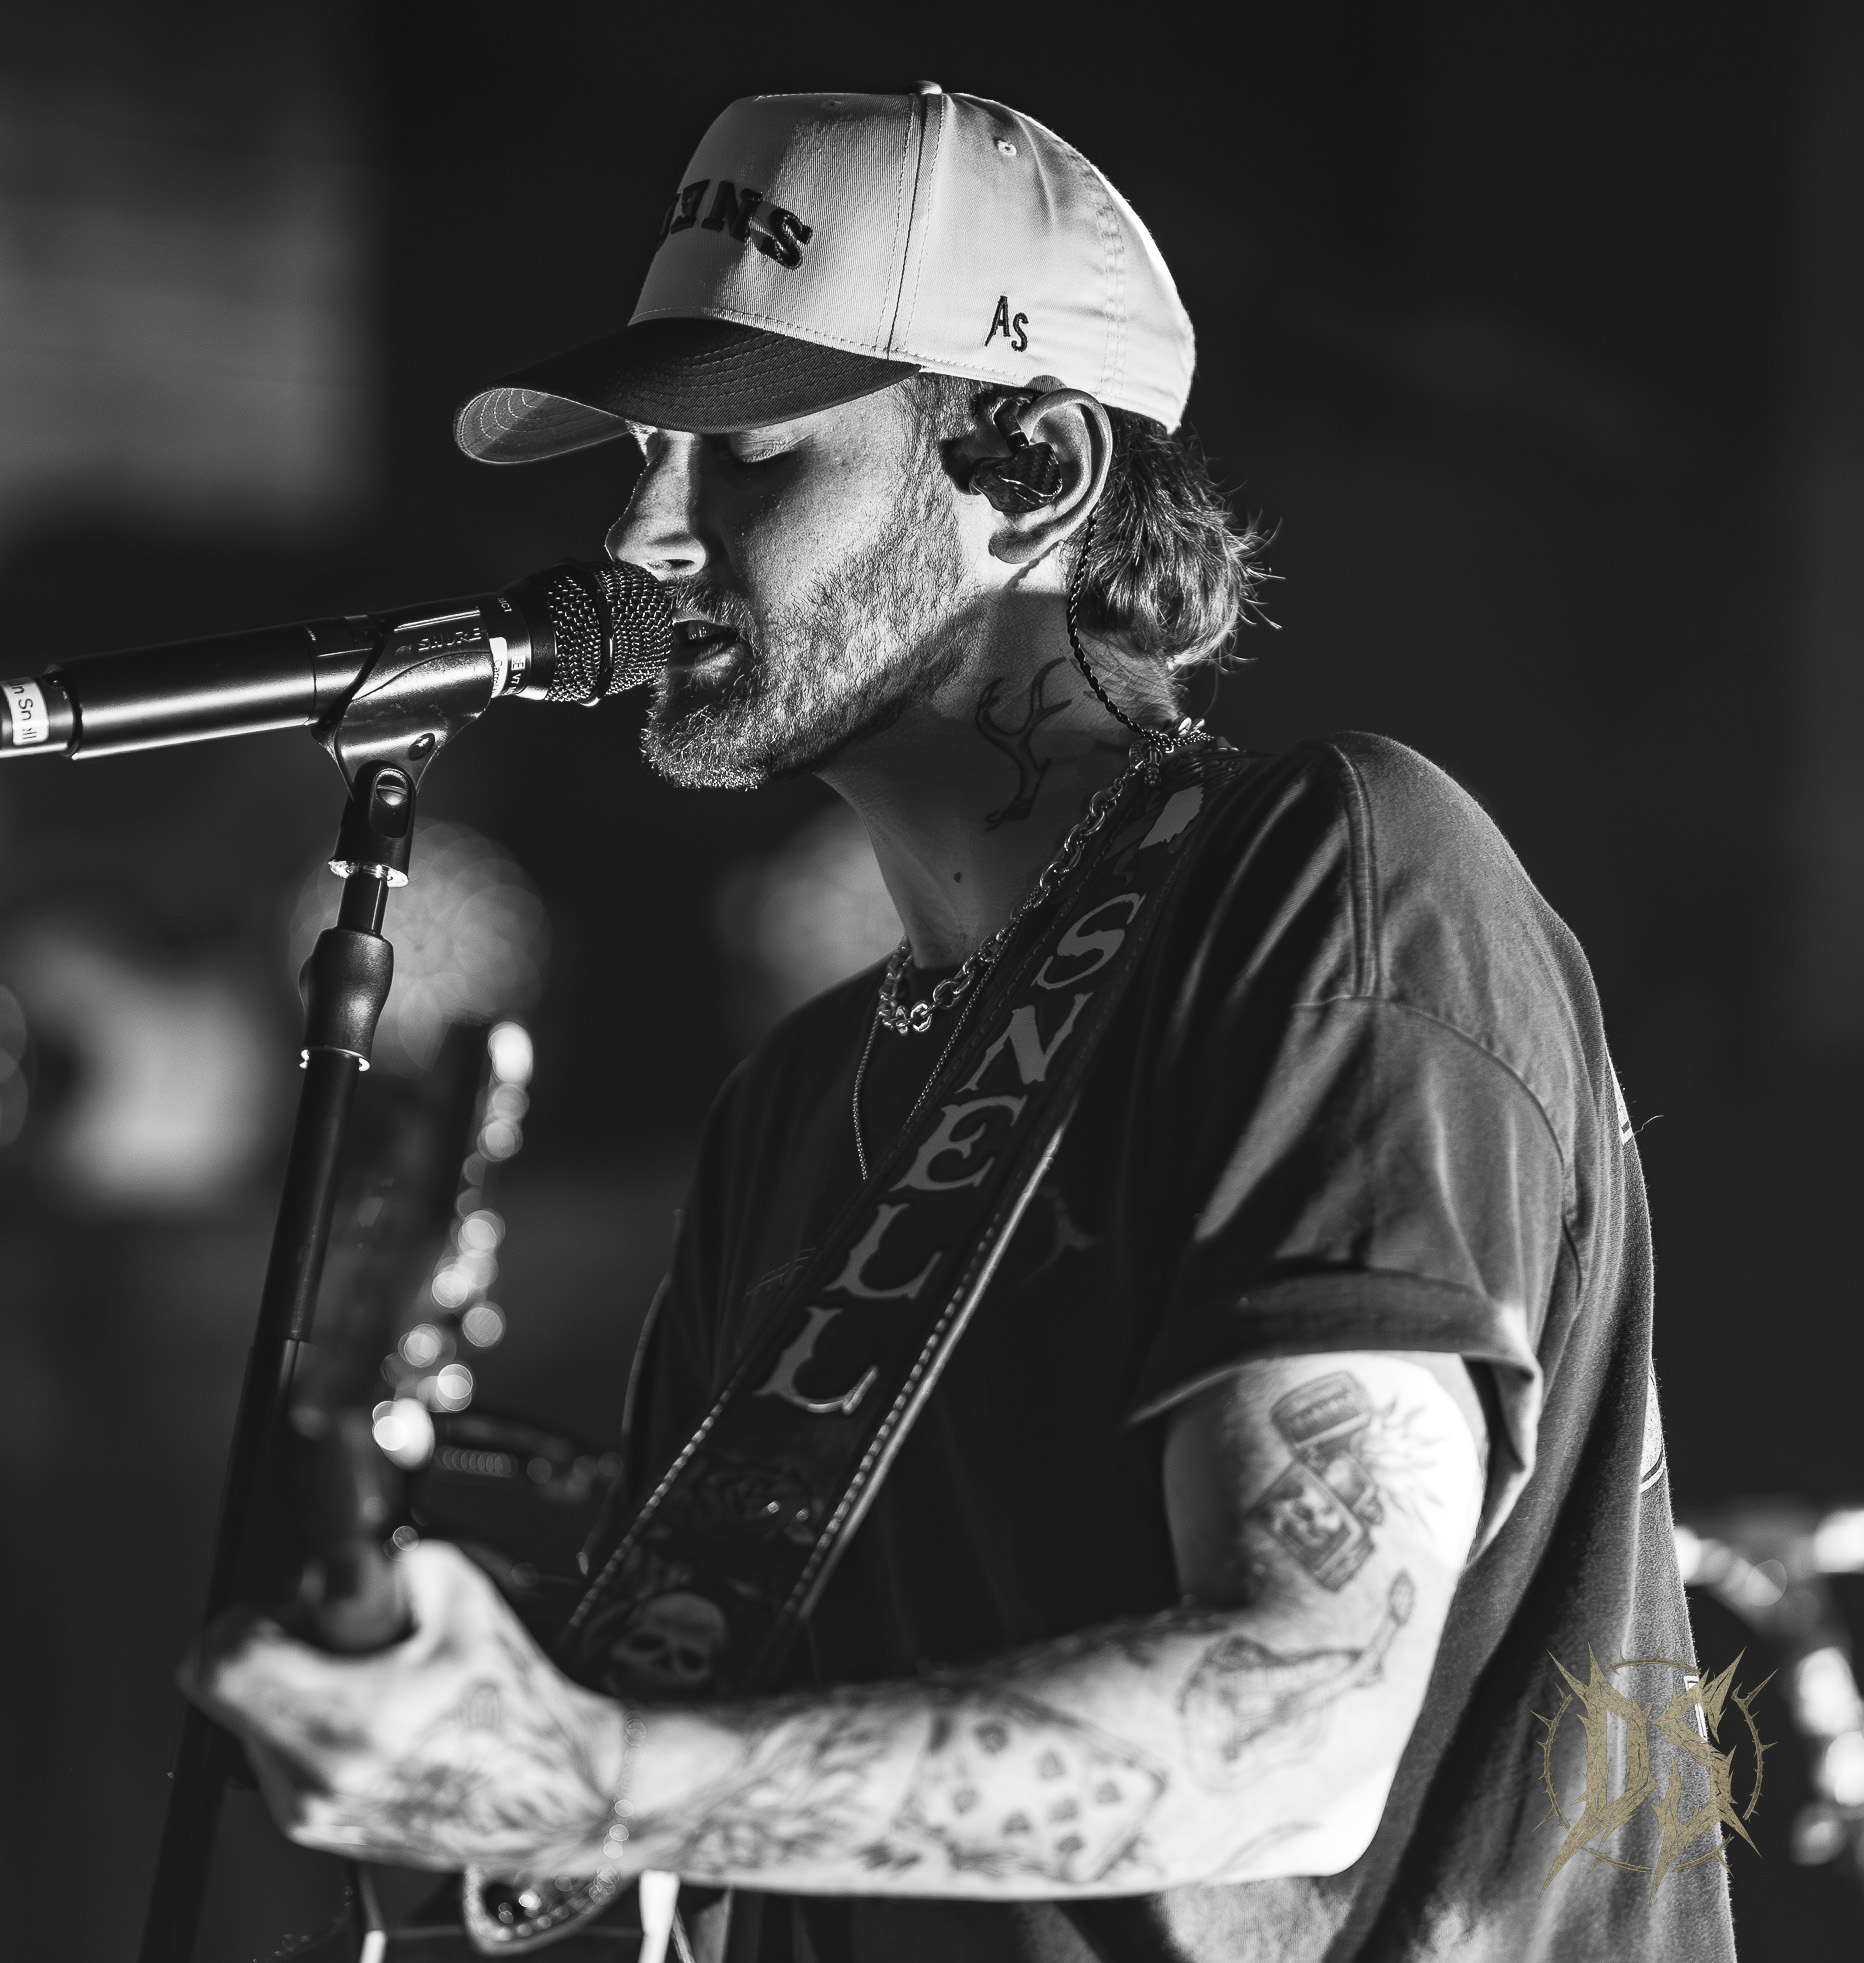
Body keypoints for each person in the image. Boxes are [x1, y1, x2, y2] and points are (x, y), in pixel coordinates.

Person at [188, 87, 1737, 1962]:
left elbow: (1297, 1732)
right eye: (646, 462)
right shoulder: (799, 1102)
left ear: (1035, 468)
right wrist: (433, 1745)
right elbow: (686, 1816)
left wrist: (597, 1774)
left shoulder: (1336, 877)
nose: (644, 534)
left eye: (750, 458)